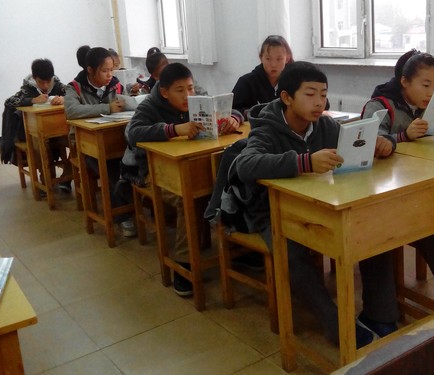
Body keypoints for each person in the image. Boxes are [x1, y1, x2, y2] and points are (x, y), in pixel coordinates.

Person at [235, 61, 398, 348]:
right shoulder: (267, 128)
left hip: (318, 204)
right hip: (271, 210)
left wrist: (383, 144)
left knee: (371, 229)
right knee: (293, 252)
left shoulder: (325, 125)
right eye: (310, 94)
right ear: (287, 97)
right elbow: (245, 165)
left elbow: (352, 146)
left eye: (323, 94)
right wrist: (305, 162)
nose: (319, 102)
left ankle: (380, 314)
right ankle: (334, 324)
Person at [126, 62, 243, 296]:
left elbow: (231, 109)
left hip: (192, 165)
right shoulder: (150, 106)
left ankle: (238, 251)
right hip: (151, 172)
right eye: (180, 90)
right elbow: (133, 133)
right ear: (164, 92)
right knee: (186, 198)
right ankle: (183, 263)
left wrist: (234, 118)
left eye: (190, 88)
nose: (187, 95)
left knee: (230, 188)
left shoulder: (198, 98)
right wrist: (173, 129)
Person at [362, 49, 434, 281]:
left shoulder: (431, 106)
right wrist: (404, 136)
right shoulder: (379, 106)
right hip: (383, 193)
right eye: (425, 85)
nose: (431, 93)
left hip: (419, 186)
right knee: (428, 226)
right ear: (404, 81)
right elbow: (371, 145)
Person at [64, 47, 136, 237]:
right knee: (112, 170)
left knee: (137, 163)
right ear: (90, 70)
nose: (110, 75)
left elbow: (129, 103)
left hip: (117, 141)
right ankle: (123, 216)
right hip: (87, 146)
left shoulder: (115, 85)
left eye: (111, 70)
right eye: (105, 71)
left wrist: (131, 102)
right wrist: (107, 108)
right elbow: (71, 111)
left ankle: (140, 208)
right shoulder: (74, 87)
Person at [0, 58, 71, 191]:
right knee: (39, 144)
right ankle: (46, 181)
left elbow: (75, 94)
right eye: (41, 82)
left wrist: (64, 98)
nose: (45, 86)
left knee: (75, 140)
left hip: (57, 130)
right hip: (34, 133)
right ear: (34, 78)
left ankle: (67, 177)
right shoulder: (28, 88)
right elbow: (9, 102)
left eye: (48, 81)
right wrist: (32, 100)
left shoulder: (58, 85)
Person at [232, 35, 294, 118]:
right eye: (268, 59)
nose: (273, 64)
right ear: (261, 58)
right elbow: (231, 110)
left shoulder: (295, 82)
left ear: (287, 59)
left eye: (279, 59)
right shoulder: (246, 82)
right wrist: (254, 113)